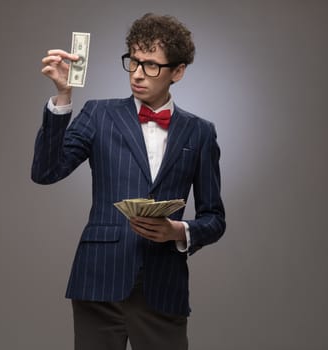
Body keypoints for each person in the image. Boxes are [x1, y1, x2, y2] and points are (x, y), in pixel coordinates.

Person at [32, 13, 226, 350]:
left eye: (151, 65)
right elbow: (46, 172)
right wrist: (63, 97)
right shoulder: (98, 114)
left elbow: (215, 218)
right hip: (99, 279)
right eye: (133, 61)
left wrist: (178, 231)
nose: (137, 73)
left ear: (177, 72)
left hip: (163, 286)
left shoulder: (200, 132)